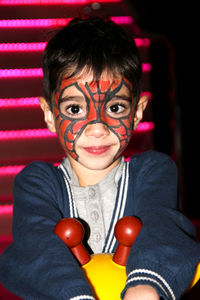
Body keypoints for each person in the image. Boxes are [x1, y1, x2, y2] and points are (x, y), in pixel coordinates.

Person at [0, 16, 199, 300]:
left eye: (116, 107)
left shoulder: (153, 171)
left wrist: (147, 284)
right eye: (74, 109)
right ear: (49, 115)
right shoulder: (36, 183)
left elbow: (163, 224)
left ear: (138, 111)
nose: (97, 128)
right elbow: (36, 245)